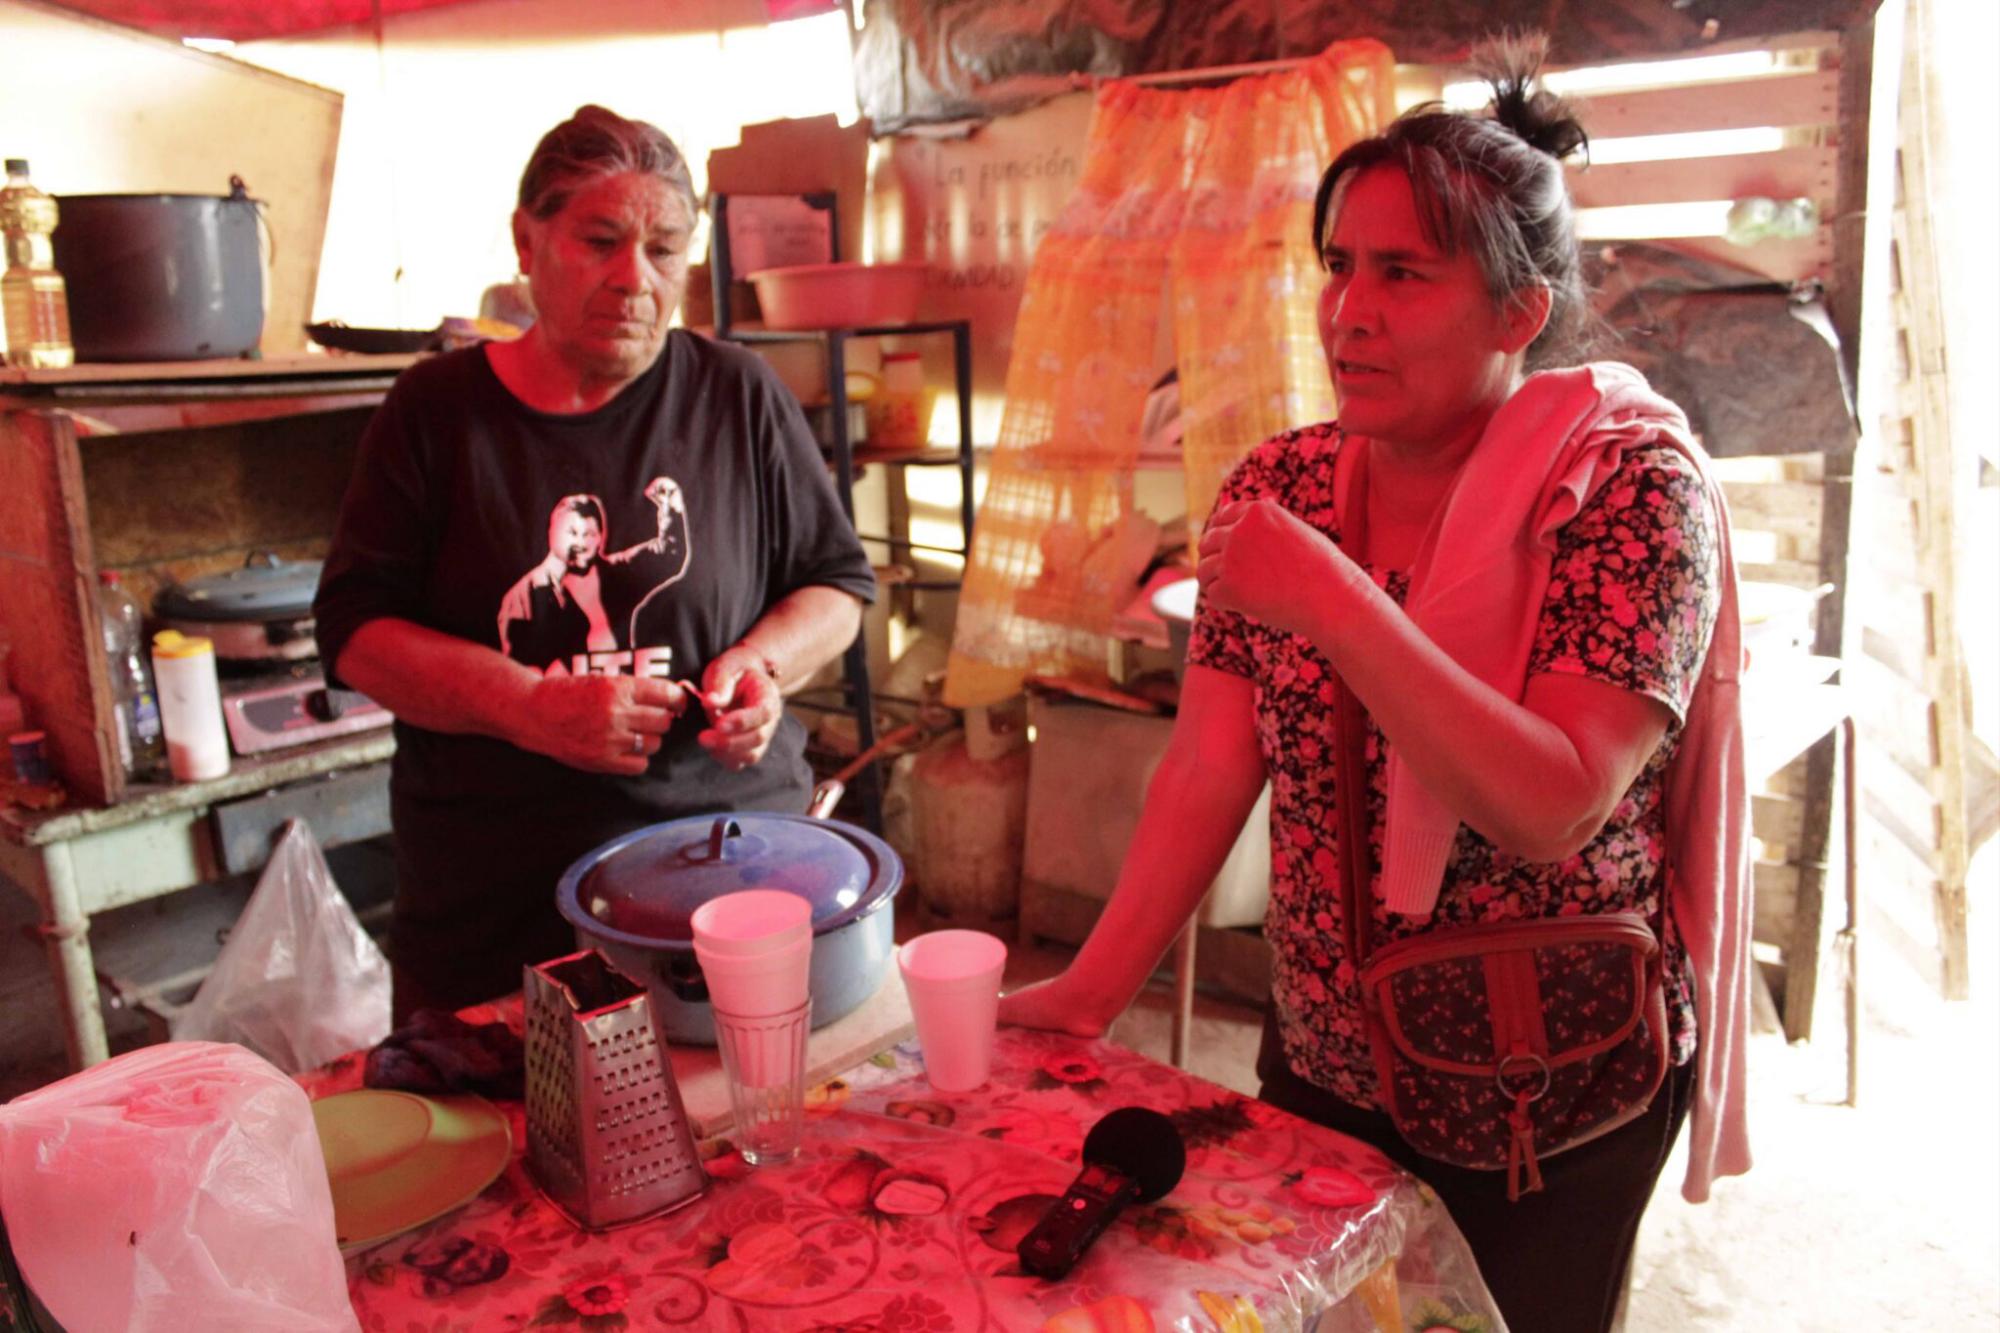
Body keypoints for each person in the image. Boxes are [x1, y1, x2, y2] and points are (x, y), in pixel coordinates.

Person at [999, 38, 1750, 1333]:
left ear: (1518, 313)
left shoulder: (1624, 489)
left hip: (1549, 1078)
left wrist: (1338, 601)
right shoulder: (1279, 486)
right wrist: (1089, 990)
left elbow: (1558, 801)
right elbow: (1208, 766)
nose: (1348, 310)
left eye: (1403, 273)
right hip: (1327, 1059)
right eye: (1338, 265)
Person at [315, 105, 876, 1017]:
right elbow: (355, 633)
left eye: (664, 250)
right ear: (527, 241)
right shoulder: (437, 414)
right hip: (500, 908)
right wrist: (527, 705)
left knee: (765, 1098)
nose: (634, 279)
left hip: (731, 876)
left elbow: (837, 584)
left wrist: (762, 665)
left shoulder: (737, 394)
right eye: (601, 241)